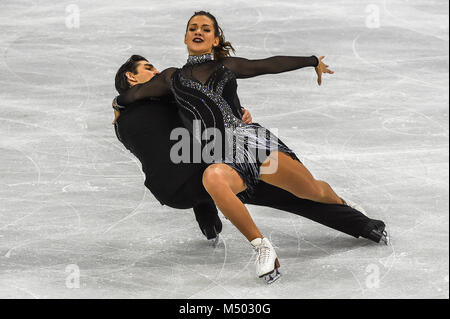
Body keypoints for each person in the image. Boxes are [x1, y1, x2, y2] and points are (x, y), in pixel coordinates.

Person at [113, 12, 389, 283]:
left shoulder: (226, 66)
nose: (198, 31)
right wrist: (117, 104)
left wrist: (311, 61)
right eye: (193, 27)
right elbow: (133, 94)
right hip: (218, 152)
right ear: (185, 36)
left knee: (313, 191)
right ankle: (262, 247)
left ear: (216, 39)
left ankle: (342, 205)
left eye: (206, 29)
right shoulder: (171, 78)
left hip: (252, 142)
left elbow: (266, 64)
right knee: (213, 179)